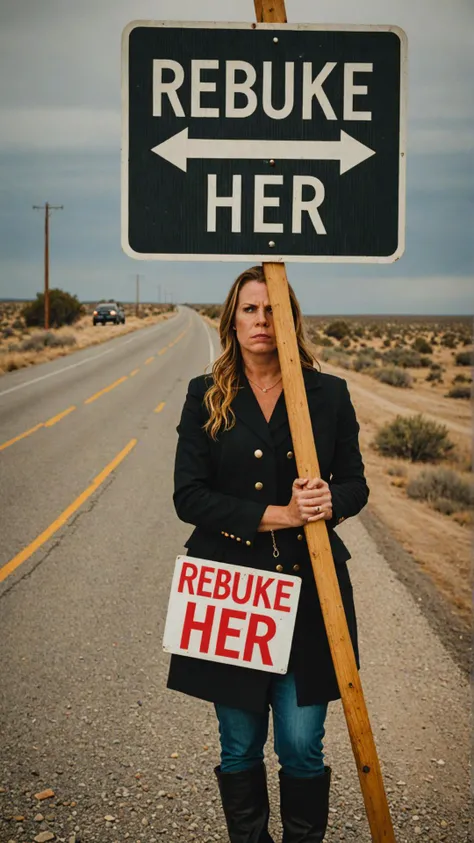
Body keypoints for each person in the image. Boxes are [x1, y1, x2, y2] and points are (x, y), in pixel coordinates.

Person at [168, 265, 369, 842]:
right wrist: (278, 515)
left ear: (291, 317)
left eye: (273, 308)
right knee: (239, 744)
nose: (262, 320)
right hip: (231, 589)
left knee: (303, 743)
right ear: (233, 317)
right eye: (251, 309)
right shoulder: (205, 394)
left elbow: (355, 483)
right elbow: (188, 495)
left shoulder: (327, 393)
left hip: (311, 586)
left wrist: (332, 498)